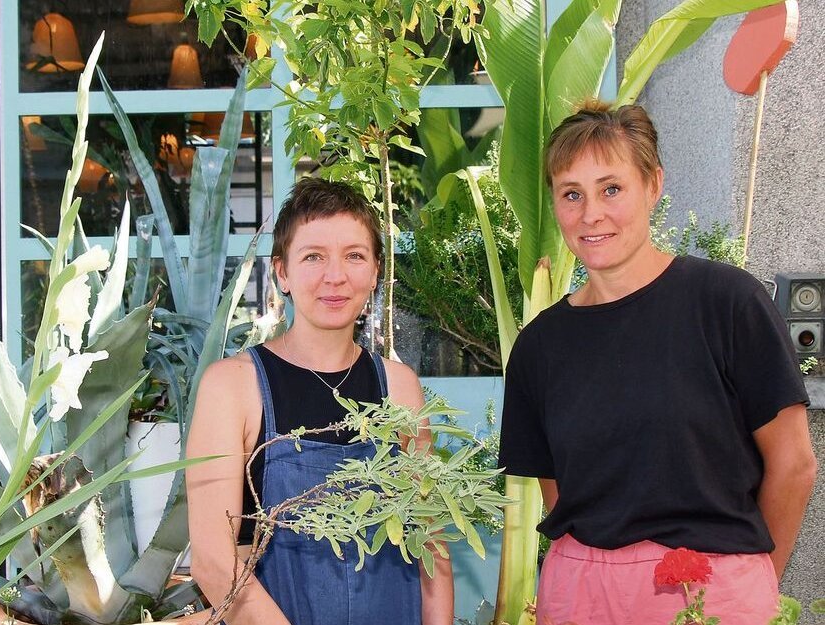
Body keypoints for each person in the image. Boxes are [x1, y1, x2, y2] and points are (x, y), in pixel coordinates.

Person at [498, 101, 817, 624]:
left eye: (612, 189)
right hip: (580, 596)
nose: (591, 214)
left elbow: (795, 466)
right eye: (571, 194)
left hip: (712, 591)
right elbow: (560, 496)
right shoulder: (539, 347)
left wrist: (753, 580)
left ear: (653, 184)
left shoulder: (728, 303)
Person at [186, 177, 453, 625]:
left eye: (354, 255)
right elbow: (214, 561)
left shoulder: (400, 387)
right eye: (313, 257)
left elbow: (431, 547)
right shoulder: (232, 387)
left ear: (375, 272)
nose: (335, 276)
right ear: (282, 273)